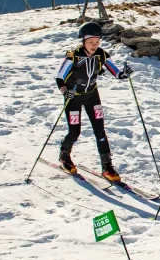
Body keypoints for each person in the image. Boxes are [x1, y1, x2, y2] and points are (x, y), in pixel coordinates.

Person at [55, 21, 133, 182]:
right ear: (83, 41)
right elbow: (59, 77)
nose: (94, 45)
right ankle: (64, 155)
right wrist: (65, 92)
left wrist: (123, 74)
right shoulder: (73, 56)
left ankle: (107, 167)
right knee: (74, 132)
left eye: (97, 42)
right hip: (73, 98)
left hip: (92, 96)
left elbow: (115, 71)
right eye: (91, 42)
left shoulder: (101, 55)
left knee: (100, 131)